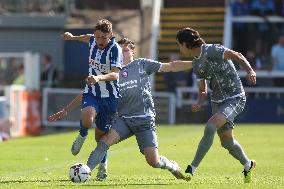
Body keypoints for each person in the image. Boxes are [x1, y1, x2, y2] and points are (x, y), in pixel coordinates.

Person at [48, 38, 192, 180]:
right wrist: (67, 109)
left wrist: (196, 63)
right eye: (119, 50)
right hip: (123, 120)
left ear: (132, 52)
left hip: (144, 120)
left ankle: (171, 166)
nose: (122, 53)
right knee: (103, 142)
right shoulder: (110, 73)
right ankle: (86, 171)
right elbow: (88, 92)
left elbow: (172, 66)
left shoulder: (141, 64)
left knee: (153, 161)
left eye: (125, 50)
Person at [175, 27, 257, 183]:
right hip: (217, 102)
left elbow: (236, 55)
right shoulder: (196, 64)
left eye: (179, 44)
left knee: (210, 127)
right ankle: (248, 165)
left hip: (235, 97)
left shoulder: (212, 49)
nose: (179, 48)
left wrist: (249, 70)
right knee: (227, 143)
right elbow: (202, 90)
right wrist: (198, 102)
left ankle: (191, 169)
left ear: (185, 44)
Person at [61, 19, 123, 180]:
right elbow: (86, 37)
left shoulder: (115, 49)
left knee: (100, 139)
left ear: (110, 35)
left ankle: (103, 165)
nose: (100, 41)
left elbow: (116, 74)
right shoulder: (93, 40)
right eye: (97, 37)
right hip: (92, 92)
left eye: (103, 37)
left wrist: (99, 77)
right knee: (87, 120)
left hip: (110, 98)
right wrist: (72, 37)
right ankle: (82, 135)